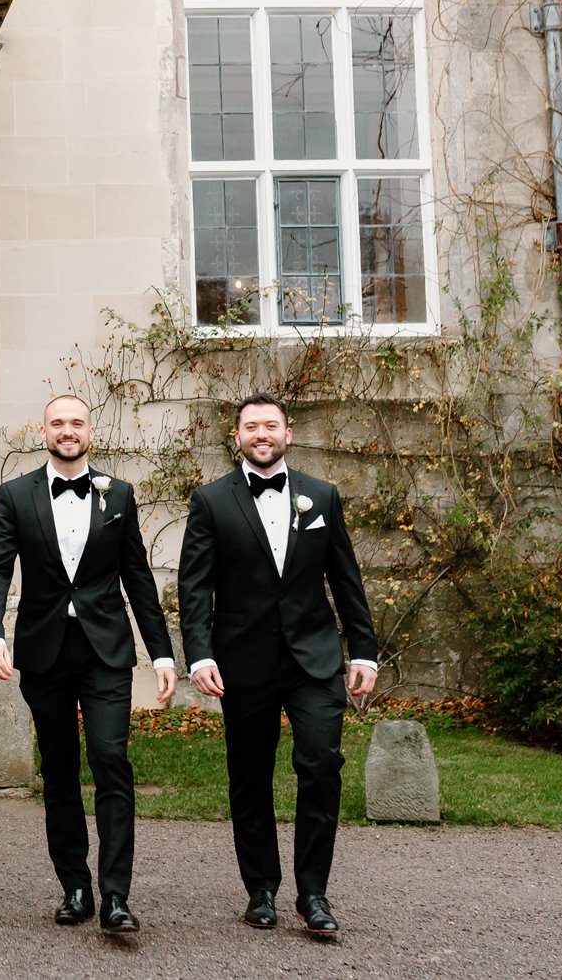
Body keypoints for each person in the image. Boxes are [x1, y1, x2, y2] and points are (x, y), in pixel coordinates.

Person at [179, 392, 379, 938]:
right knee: (249, 776)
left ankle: (313, 893)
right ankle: (261, 890)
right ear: (237, 436)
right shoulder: (211, 502)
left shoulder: (321, 496)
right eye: (251, 427)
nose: (261, 434)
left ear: (288, 435)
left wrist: (363, 651)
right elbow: (194, 589)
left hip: (313, 659)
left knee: (320, 765)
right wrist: (199, 654)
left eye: (271, 426)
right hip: (242, 662)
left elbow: (346, 579)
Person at [0, 395, 177, 933]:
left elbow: (138, 577)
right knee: (61, 771)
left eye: (77, 423)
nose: (68, 431)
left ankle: (116, 896)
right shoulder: (16, 495)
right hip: (44, 652)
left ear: (91, 431)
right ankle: (75, 886)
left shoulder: (120, 494)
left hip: (105, 651)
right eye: (58, 423)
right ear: (42, 430)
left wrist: (161, 651)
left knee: (111, 759)